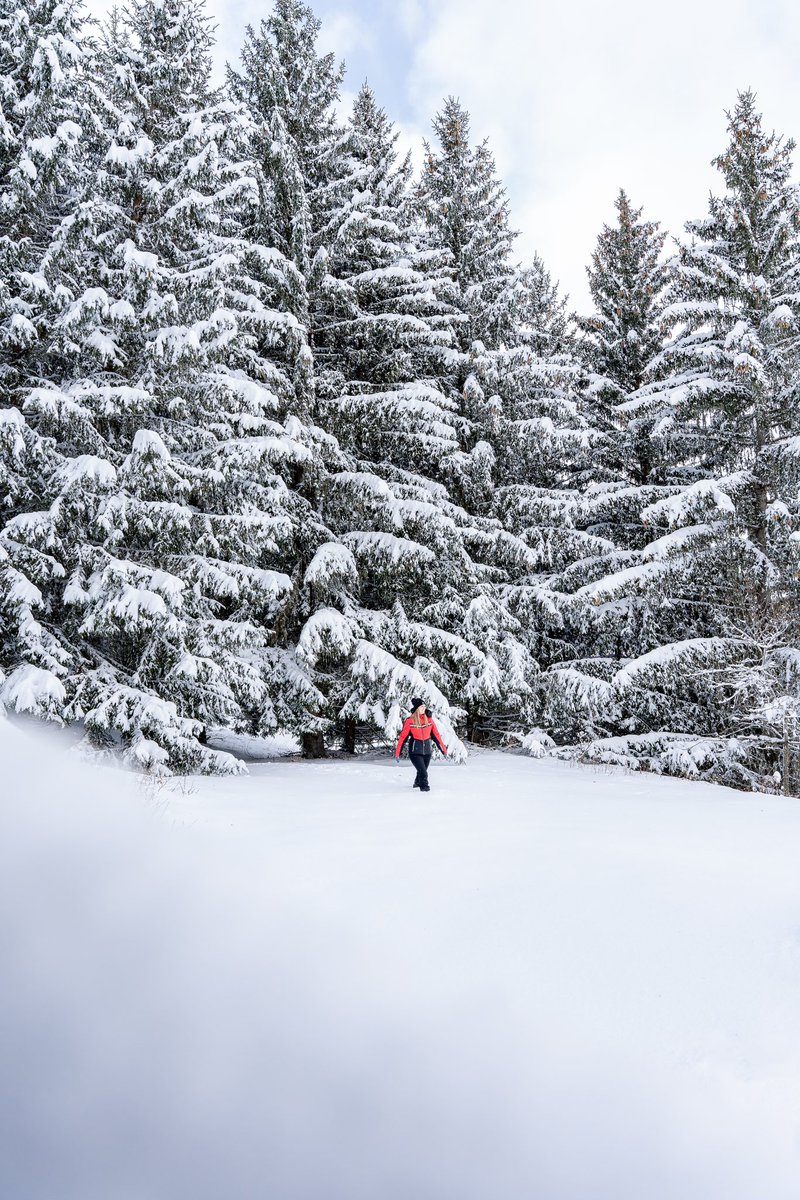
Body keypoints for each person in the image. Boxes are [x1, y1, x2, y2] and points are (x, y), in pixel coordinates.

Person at [394, 697, 447, 792]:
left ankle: (417, 783)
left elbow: (436, 736)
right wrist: (398, 753)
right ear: (417, 708)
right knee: (423, 772)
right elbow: (403, 738)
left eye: (424, 706)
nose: (423, 708)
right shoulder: (410, 721)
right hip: (415, 752)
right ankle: (424, 789)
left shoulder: (429, 720)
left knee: (422, 771)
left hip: (427, 751)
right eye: (421, 707)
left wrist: (443, 749)